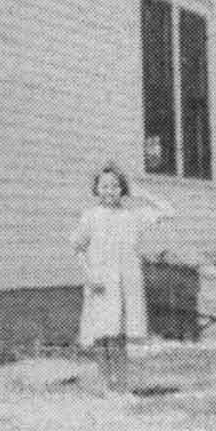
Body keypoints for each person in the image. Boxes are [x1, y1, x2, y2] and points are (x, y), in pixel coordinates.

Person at [71, 164, 172, 392]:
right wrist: (89, 276)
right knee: (101, 335)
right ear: (96, 189)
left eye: (116, 186)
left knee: (118, 336)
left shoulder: (132, 216)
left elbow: (169, 210)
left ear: (123, 189)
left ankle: (121, 386)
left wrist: (142, 193)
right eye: (104, 186)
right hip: (100, 282)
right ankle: (106, 385)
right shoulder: (90, 217)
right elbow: (77, 248)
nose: (110, 191)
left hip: (125, 283)